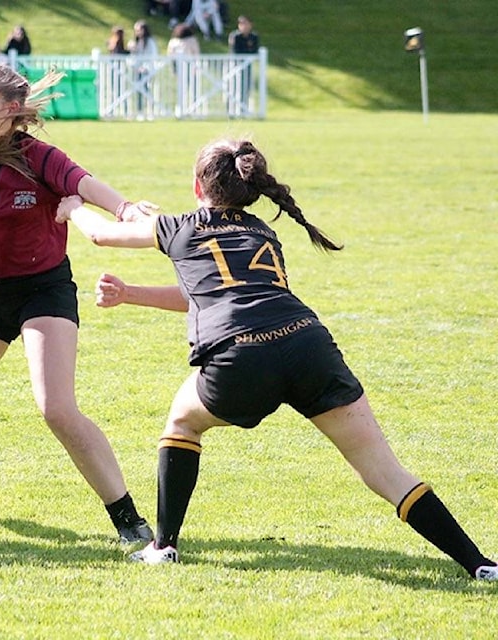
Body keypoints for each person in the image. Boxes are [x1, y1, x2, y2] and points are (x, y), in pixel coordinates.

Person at [54, 137, 498, 581]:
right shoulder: (263, 232)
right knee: (385, 471)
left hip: (241, 355)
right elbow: (218, 294)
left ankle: (163, 546)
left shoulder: (178, 226)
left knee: (183, 423)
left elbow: (99, 234)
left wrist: (72, 205)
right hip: (308, 345)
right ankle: (480, 565)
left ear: (197, 185)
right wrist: (132, 294)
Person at [0, 61, 155, 544]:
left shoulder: (38, 157)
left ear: (10, 110)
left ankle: (129, 521)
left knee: (56, 408)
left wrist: (124, 208)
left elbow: (85, 183)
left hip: (44, 289)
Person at [228, 15, 260, 115]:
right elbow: (234, 51)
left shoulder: (254, 36)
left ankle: (243, 109)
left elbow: (255, 51)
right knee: (233, 87)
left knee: (246, 87)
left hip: (247, 65)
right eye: (241, 24)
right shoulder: (235, 36)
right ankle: (231, 110)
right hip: (235, 65)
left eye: (246, 24)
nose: (244, 26)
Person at [127, 21, 158, 119]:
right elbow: (132, 57)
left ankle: (150, 111)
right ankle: (140, 112)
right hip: (137, 70)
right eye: (136, 30)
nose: (137, 32)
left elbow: (152, 56)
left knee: (146, 90)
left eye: (139, 30)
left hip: (146, 70)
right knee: (139, 91)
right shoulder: (135, 42)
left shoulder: (150, 42)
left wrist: (145, 67)